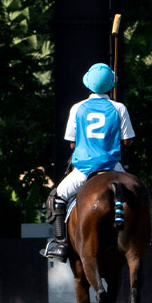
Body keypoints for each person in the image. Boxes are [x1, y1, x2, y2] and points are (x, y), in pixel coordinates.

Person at [41, 62, 135, 261]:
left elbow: (72, 144)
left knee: (56, 198)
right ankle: (140, 236)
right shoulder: (119, 107)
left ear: (88, 84)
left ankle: (60, 244)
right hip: (113, 168)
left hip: (84, 170)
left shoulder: (77, 108)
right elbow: (128, 141)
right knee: (135, 195)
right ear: (111, 85)